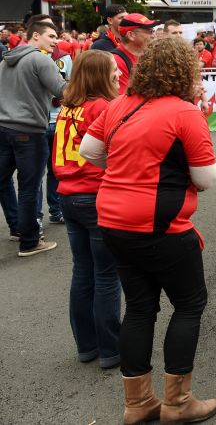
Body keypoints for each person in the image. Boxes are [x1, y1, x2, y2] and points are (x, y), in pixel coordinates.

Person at [79, 37, 216, 425]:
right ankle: (178, 403)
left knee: (140, 308)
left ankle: (138, 404)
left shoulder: (118, 105)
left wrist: (128, 167)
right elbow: (207, 179)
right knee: (189, 305)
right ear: (187, 71)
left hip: (113, 221)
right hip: (161, 227)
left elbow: (88, 152)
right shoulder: (185, 112)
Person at [52, 50, 122, 369]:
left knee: (83, 272)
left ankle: (86, 346)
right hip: (95, 195)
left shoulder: (69, 106)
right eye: (112, 70)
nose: (118, 74)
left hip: (68, 195)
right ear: (99, 75)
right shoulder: (103, 107)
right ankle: (111, 350)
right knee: (107, 275)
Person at [0, 18, 67, 255]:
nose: (55, 41)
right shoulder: (40, 58)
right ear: (35, 36)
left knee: (5, 180)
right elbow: (63, 91)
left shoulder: (6, 60)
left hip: (4, 128)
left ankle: (17, 227)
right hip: (29, 131)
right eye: (51, 36)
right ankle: (29, 241)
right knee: (29, 187)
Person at [112, 13, 161, 94]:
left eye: (153, 31)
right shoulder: (116, 61)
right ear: (131, 35)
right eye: (149, 31)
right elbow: (125, 97)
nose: (153, 36)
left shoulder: (149, 55)